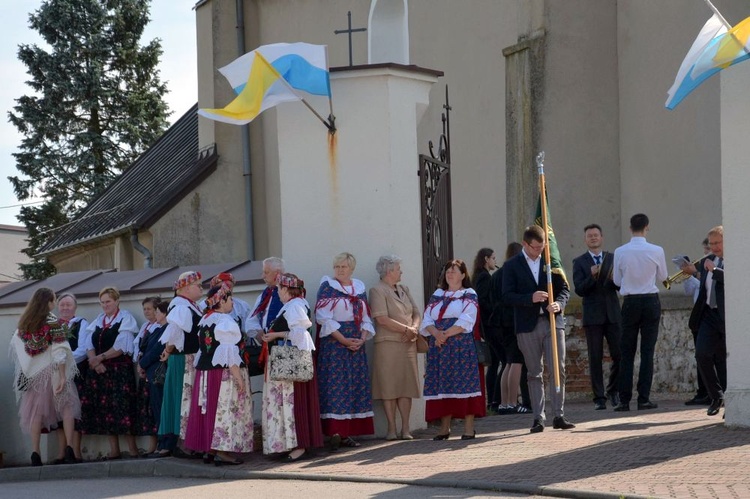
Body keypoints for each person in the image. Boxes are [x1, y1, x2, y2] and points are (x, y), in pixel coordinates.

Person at [502, 225, 575, 433]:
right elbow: (506, 296)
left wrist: (559, 305)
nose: (539, 251)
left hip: (553, 321)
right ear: (525, 244)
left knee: (558, 369)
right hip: (527, 325)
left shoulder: (551, 261)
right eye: (535, 248)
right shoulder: (512, 265)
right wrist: (529, 298)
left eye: (542, 247)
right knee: (534, 372)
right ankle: (538, 417)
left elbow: (564, 289)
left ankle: (559, 414)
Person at [10, 287, 81, 466]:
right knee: (67, 407)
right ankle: (70, 448)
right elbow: (60, 350)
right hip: (54, 371)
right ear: (48, 302)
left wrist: (29, 367)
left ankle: (35, 452)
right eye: (54, 300)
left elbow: (17, 347)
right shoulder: (52, 322)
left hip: (35, 376)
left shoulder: (24, 324)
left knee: (35, 413)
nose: (55, 303)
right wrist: (63, 375)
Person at [184, 283, 253, 464]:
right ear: (221, 301)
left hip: (206, 374)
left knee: (212, 410)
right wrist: (238, 378)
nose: (232, 303)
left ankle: (212, 450)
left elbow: (204, 351)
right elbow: (230, 354)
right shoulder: (225, 321)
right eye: (229, 299)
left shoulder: (206, 319)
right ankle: (222, 451)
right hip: (223, 376)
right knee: (226, 410)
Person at [315, 252, 375, 448]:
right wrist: (343, 340)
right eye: (337, 267)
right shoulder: (327, 287)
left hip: (356, 342)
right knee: (335, 385)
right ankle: (335, 432)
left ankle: (348, 433)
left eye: (344, 267)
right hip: (335, 344)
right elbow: (323, 317)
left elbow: (366, 317)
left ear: (351, 269)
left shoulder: (359, 288)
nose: (340, 270)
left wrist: (361, 339)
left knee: (354, 385)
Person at [260, 273, 323, 460]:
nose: (278, 292)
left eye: (279, 288)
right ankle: (290, 443)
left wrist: (276, 335)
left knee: (295, 403)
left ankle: (300, 445)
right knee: (288, 404)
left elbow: (300, 334)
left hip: (292, 364)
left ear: (286, 289)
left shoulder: (295, 306)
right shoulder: (291, 306)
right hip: (287, 364)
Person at [421, 259, 485, 440]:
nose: (450, 273)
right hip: (440, 347)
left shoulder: (468, 294)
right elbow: (427, 319)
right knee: (444, 385)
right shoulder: (438, 294)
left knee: (465, 385)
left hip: (460, 346)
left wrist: (445, 334)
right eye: (448, 271)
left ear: (463, 275)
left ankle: (468, 428)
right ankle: (444, 428)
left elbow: (467, 319)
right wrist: (436, 334)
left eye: (454, 271)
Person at [612, 213, 668, 412]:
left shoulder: (620, 251)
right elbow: (663, 276)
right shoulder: (656, 250)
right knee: (647, 351)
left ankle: (624, 399)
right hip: (650, 301)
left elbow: (617, 281)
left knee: (626, 352)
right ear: (647, 227)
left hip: (630, 302)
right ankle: (643, 398)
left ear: (630, 228)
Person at [79, 287, 140, 459]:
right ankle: (114, 450)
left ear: (117, 301)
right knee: (105, 410)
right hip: (100, 371)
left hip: (118, 371)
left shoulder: (125, 318)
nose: (105, 305)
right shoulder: (99, 320)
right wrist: (95, 362)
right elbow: (88, 343)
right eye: (103, 302)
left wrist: (99, 358)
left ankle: (133, 449)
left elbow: (122, 345)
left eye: (108, 301)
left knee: (124, 407)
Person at [369, 255, 421, 440]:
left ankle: (405, 429)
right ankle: (391, 429)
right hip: (388, 344)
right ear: (389, 271)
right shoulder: (377, 290)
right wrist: (407, 329)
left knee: (406, 386)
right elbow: (381, 319)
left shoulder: (404, 289)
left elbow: (416, 311)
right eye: (399, 268)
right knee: (389, 386)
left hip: (408, 343)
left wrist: (414, 327)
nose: (401, 272)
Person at [572, 224, 622, 411]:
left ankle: (613, 391)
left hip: (613, 314)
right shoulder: (580, 262)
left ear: (602, 237)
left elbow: (620, 284)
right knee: (595, 357)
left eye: (596, 235)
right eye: (589, 236)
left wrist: (613, 279)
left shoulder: (612, 258)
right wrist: (592, 276)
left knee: (619, 354)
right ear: (585, 240)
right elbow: (579, 289)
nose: (593, 238)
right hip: (593, 316)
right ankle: (599, 397)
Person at [158, 271, 204, 457]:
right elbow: (175, 333)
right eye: (197, 285)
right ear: (184, 289)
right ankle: (181, 442)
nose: (201, 288)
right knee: (181, 398)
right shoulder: (181, 307)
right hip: (184, 359)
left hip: (190, 358)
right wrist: (168, 351)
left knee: (187, 398)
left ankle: (188, 441)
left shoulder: (191, 306)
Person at [687, 226, 726, 417]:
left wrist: (716, 270)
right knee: (702, 354)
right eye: (711, 244)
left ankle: (731, 401)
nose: (714, 247)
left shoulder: (736, 257)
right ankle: (716, 396)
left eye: (718, 243)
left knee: (726, 360)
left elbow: (735, 279)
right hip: (708, 315)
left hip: (727, 316)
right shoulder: (706, 261)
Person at [489, 242, 531, 414]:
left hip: (499, 322)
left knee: (508, 363)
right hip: (511, 321)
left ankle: (504, 403)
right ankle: (512, 402)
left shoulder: (497, 274)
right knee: (516, 362)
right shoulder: (511, 272)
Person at [52, 292, 88, 463]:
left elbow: (83, 349)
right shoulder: (53, 326)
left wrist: (66, 361)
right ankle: (61, 453)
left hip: (75, 372)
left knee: (73, 411)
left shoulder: (81, 324)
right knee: (59, 412)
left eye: (68, 305)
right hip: (56, 375)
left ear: (75, 307)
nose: (65, 308)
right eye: (62, 305)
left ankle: (75, 451)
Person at [471, 248, 504, 413]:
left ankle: (493, 400)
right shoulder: (484, 276)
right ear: (486, 259)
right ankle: (494, 400)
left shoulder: (479, 275)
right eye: (493, 258)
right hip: (489, 325)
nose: (495, 262)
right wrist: (496, 309)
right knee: (499, 361)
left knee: (495, 362)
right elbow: (483, 301)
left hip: (486, 325)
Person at [681, 237, 712, 406]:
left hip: (710, 315)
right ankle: (702, 391)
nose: (706, 252)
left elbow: (709, 286)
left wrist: (694, 273)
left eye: (709, 248)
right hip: (698, 314)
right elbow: (689, 291)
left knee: (709, 355)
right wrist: (687, 276)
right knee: (700, 354)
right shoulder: (699, 266)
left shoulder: (715, 264)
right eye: (705, 249)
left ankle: (711, 392)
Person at [139, 300, 172, 457]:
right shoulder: (158, 329)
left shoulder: (167, 330)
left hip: (159, 375)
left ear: (165, 313)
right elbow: (145, 348)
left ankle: (166, 444)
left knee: (161, 409)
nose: (155, 314)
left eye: (158, 312)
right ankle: (161, 443)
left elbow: (156, 351)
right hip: (152, 375)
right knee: (156, 409)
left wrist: (142, 363)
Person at [133, 297, 160, 455]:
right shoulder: (145, 326)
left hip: (154, 371)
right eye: (144, 309)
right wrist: (139, 364)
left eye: (149, 309)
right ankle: (152, 443)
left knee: (155, 406)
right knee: (147, 409)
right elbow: (137, 348)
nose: (146, 312)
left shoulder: (160, 327)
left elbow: (153, 350)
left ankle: (158, 443)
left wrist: (143, 364)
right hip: (144, 370)